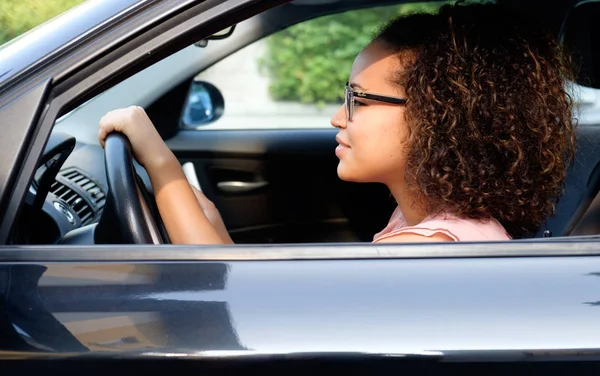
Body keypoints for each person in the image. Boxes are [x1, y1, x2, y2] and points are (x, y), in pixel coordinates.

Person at [97, 2, 576, 244]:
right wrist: (185, 197)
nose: (336, 117)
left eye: (359, 100)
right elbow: (233, 276)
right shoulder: (432, 224)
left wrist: (159, 162)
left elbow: (229, 299)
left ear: (440, 117)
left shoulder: (425, 254)